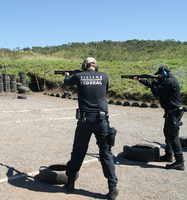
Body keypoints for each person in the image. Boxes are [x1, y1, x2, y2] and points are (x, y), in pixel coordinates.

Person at [63, 57, 118, 199]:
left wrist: (67, 75)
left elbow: (67, 84)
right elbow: (104, 90)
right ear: (96, 66)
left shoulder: (78, 76)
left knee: (78, 151)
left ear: (84, 65)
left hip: (85, 120)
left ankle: (70, 183)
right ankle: (113, 188)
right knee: (106, 153)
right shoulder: (104, 76)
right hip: (101, 120)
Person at [133, 65, 184, 170]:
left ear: (165, 73)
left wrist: (151, 81)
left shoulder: (170, 82)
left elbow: (156, 91)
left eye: (159, 74)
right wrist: (140, 80)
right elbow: (155, 86)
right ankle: (168, 155)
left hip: (173, 113)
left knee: (173, 137)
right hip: (170, 113)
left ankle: (180, 161)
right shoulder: (167, 81)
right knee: (167, 134)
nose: (158, 76)